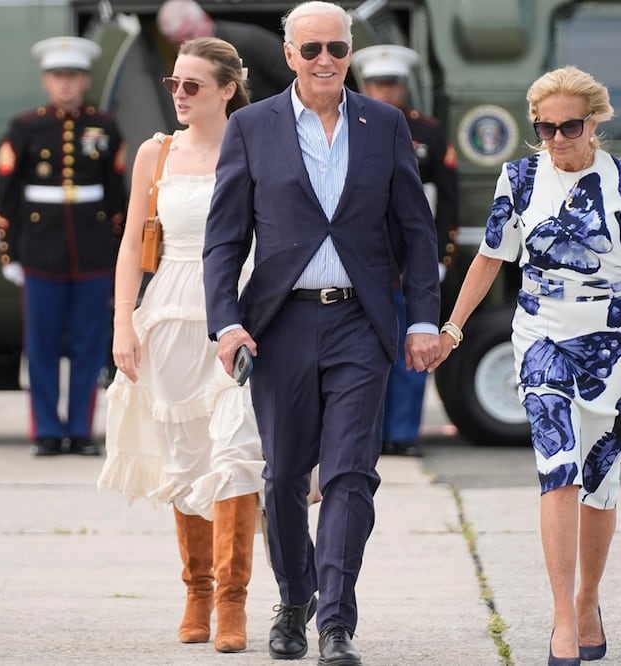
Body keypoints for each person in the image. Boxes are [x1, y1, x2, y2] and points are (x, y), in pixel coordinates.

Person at [202, 3, 442, 664]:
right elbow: (223, 240)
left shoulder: (384, 124)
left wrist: (421, 317)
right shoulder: (251, 127)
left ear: (350, 51)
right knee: (281, 479)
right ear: (288, 55)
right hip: (278, 326)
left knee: (348, 476)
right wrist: (225, 322)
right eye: (310, 50)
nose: (324, 61)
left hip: (360, 324)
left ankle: (335, 621)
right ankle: (291, 600)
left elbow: (416, 234)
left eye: (335, 48)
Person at [437, 66, 621, 665]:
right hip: (540, 334)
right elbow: (490, 258)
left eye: (569, 126)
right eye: (545, 127)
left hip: (614, 341)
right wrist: (455, 326)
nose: (558, 137)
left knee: (599, 482)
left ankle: (589, 598)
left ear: (594, 123)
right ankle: (563, 619)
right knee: (558, 471)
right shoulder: (518, 177)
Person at [97, 36, 264, 654]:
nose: (179, 95)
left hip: (236, 310)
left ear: (228, 89)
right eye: (173, 84)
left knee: (238, 452)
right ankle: (196, 589)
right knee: (186, 460)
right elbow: (130, 246)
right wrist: (123, 323)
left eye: (192, 85)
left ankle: (233, 602)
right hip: (168, 311)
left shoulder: (257, 143)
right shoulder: (155, 152)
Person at [0, 36, 128, 457]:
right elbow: (7, 195)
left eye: (72, 76)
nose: (65, 84)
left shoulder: (105, 128)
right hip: (40, 250)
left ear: (85, 80)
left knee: (90, 345)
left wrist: (117, 253)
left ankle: (82, 431)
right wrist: (9, 253)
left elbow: (117, 196)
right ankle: (48, 431)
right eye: (57, 76)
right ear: (46, 81)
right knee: (43, 346)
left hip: (91, 252)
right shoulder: (25, 127)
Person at [352, 44, 461, 457]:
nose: (386, 92)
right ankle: (372, 435)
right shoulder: (348, 126)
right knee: (366, 354)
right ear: (365, 85)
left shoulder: (428, 133)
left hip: (409, 262)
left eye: (393, 84)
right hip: (364, 262)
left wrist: (439, 260)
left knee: (414, 350)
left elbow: (445, 200)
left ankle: (403, 434)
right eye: (379, 84)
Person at [157, 0, 293, 102]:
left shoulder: (248, 41)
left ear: (205, 20)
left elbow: (296, 78)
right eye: (177, 42)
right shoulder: (187, 66)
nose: (187, 43)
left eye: (189, 34)